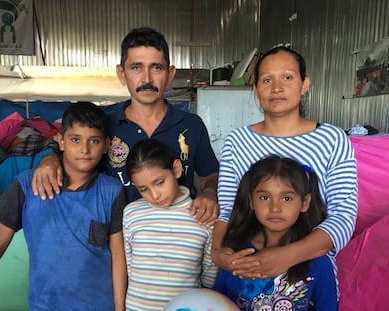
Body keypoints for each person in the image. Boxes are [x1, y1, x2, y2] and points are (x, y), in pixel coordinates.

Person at [31, 27, 219, 225]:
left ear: (170, 73)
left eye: (156, 67)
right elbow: (74, 151)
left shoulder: (191, 125)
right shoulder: (103, 124)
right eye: (136, 67)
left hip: (177, 241)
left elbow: (210, 174)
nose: (147, 79)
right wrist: (50, 160)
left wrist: (209, 193)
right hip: (114, 244)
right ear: (121, 73)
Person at [212, 46, 358, 286]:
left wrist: (289, 256)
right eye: (267, 80)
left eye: (287, 78)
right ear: (256, 89)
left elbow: (343, 217)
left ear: (304, 84)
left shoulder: (332, 139)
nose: (277, 88)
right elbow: (229, 208)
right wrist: (218, 251)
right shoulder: (237, 141)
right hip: (248, 270)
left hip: (310, 273)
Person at [0, 102, 127, 310]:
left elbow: (118, 255)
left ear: (106, 145)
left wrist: (120, 309)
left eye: (94, 140)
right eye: (75, 139)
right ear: (61, 142)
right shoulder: (27, 185)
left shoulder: (112, 191)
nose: (84, 149)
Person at [213, 155, 337, 310]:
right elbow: (216, 302)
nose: (275, 208)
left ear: (305, 203)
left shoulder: (317, 260)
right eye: (265, 197)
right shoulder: (236, 251)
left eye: (286, 198)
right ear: (251, 200)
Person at [123, 138, 218, 310]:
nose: (155, 195)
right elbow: (130, 268)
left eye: (159, 183)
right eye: (143, 189)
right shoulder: (131, 213)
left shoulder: (202, 215)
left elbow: (209, 279)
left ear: (176, 169)